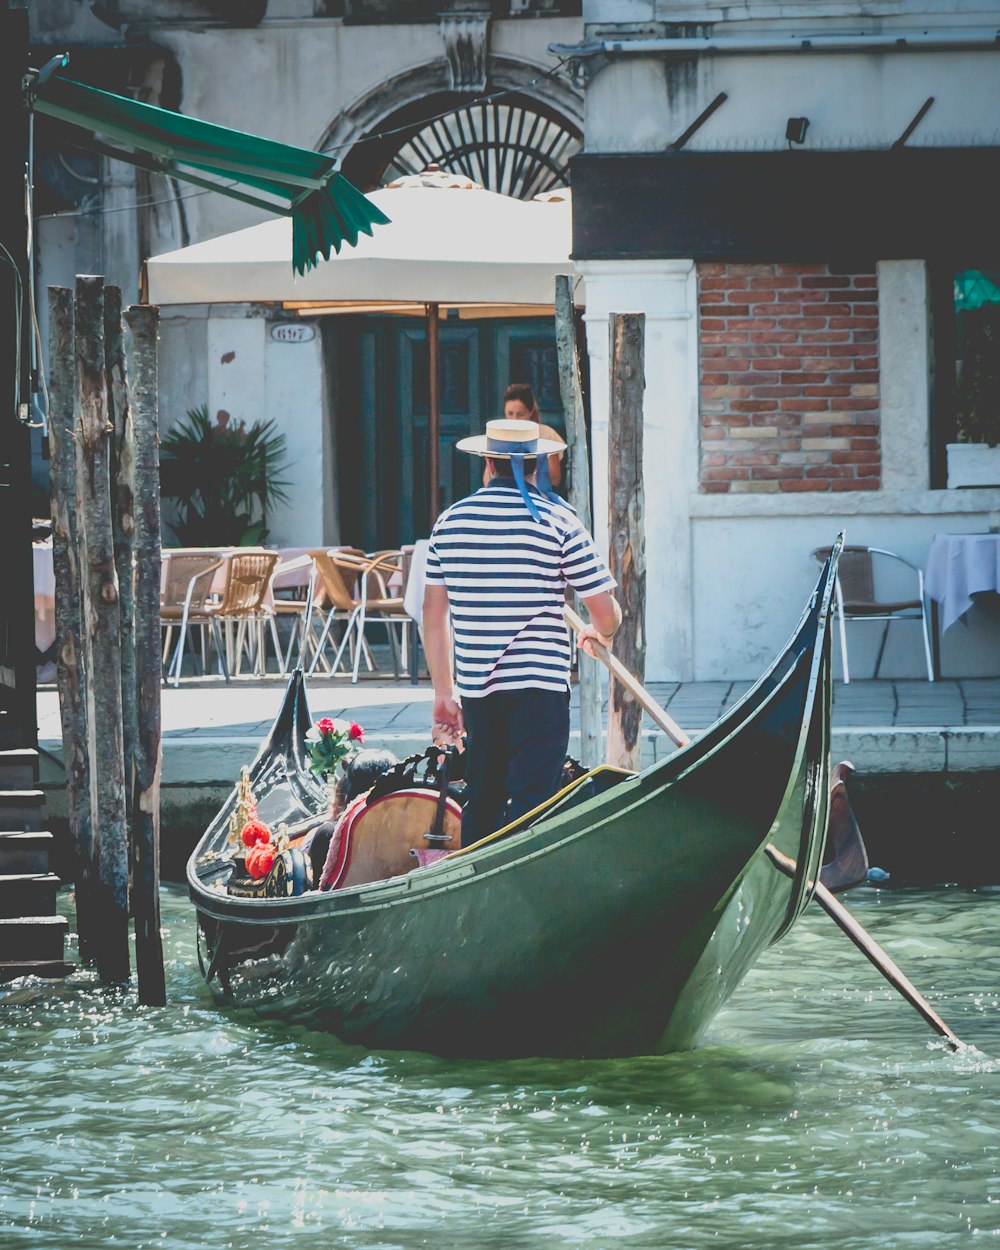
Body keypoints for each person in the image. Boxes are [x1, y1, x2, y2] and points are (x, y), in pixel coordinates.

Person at [424, 418, 621, 847]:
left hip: (479, 693)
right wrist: (597, 632)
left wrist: (444, 692)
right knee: (535, 804)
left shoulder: (451, 522)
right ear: (539, 466)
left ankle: (480, 892)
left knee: (485, 799)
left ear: (488, 465)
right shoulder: (559, 520)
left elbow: (433, 615)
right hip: (540, 691)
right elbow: (606, 611)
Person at [482, 382, 564, 490]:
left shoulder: (547, 435)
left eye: (520, 414)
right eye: (510, 414)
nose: (514, 419)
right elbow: (487, 480)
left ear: (530, 412)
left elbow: (554, 479)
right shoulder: (499, 436)